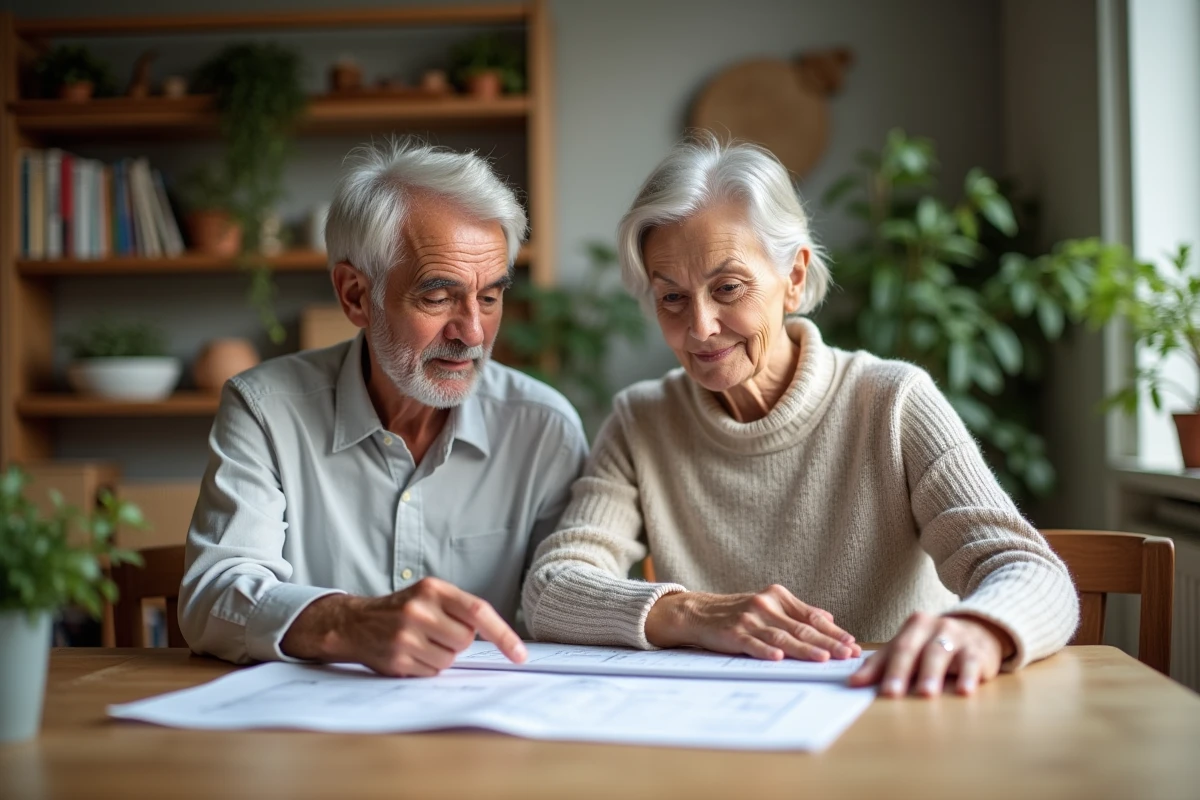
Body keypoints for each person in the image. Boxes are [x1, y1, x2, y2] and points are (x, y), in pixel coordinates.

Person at [523, 134, 1078, 697]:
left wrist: (976, 629)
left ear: (793, 277)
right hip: (723, 726)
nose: (701, 327)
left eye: (728, 287)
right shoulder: (641, 420)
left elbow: (1029, 570)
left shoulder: (892, 401)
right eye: (672, 298)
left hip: (888, 712)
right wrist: (696, 612)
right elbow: (552, 589)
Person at [180, 138, 588, 677]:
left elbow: (571, 605)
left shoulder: (544, 428)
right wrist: (348, 622)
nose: (471, 333)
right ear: (354, 296)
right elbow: (214, 594)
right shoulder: (265, 410)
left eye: (489, 297)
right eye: (437, 297)